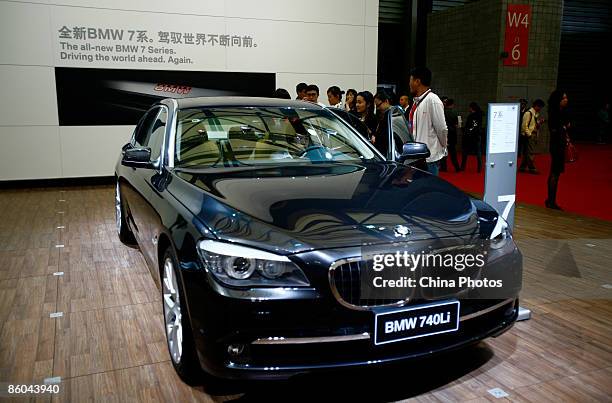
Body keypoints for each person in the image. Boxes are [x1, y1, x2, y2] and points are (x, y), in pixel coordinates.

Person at [408, 67, 448, 175]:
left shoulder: (433, 100)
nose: (409, 83)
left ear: (417, 81)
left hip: (429, 159)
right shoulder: (417, 102)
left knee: (428, 190)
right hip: (417, 157)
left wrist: (443, 147)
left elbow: (442, 129)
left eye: (410, 80)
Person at [545, 90, 570, 210]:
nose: (566, 100)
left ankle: (551, 200)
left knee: (556, 173)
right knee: (555, 172)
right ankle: (551, 201)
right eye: (563, 98)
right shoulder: (555, 114)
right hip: (556, 146)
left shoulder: (561, 112)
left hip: (558, 145)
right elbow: (555, 130)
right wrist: (564, 127)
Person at [519, 99, 545, 174]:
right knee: (531, 152)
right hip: (529, 135)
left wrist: (539, 123)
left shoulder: (535, 114)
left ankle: (523, 167)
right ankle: (532, 168)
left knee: (527, 152)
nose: (540, 109)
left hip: (532, 134)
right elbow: (524, 126)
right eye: (540, 107)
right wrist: (529, 134)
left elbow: (533, 125)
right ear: (536, 106)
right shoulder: (528, 113)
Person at [460, 102, 483, 173]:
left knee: (465, 152)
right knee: (478, 153)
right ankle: (479, 168)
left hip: (469, 137)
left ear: (471, 108)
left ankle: (463, 167)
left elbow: (470, 127)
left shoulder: (471, 116)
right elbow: (476, 126)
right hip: (477, 136)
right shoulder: (480, 115)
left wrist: (463, 129)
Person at [440, 98, 461, 172]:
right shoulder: (455, 113)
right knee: (453, 152)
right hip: (452, 134)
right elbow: (458, 125)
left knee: (443, 152)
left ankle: (443, 167)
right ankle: (457, 167)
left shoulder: (442, 113)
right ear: (452, 104)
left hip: (444, 134)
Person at [372, 91, 393, 155]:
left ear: (386, 101)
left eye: (378, 105)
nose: (378, 108)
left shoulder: (391, 115)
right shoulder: (383, 114)